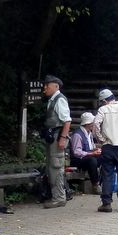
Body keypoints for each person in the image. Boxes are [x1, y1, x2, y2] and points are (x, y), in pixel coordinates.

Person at [41, 75, 72, 208]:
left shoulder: (60, 100)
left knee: (56, 166)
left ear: (56, 86)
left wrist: (62, 138)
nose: (45, 88)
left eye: (47, 85)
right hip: (52, 138)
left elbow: (67, 121)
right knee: (52, 166)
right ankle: (56, 196)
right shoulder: (53, 99)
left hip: (57, 138)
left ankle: (59, 197)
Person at [69, 112, 102, 194]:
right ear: (88, 124)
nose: (94, 124)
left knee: (105, 157)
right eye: (93, 122)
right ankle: (95, 185)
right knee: (92, 160)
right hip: (77, 160)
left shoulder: (89, 133)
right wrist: (92, 153)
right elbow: (77, 152)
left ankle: (103, 182)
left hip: (88, 157)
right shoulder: (77, 135)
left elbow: (91, 148)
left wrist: (96, 150)